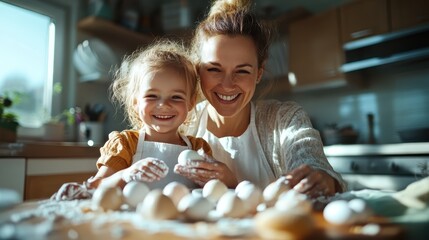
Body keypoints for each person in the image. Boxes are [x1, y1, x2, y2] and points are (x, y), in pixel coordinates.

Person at [174, 0, 347, 198]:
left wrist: (323, 179)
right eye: (214, 69)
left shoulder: (284, 119)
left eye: (242, 71)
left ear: (258, 73)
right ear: (198, 70)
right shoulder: (182, 122)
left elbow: (311, 160)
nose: (228, 84)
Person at [52, 40, 212, 200]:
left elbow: (211, 191)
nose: (163, 105)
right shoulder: (125, 144)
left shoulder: (198, 149)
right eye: (152, 96)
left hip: (181, 224)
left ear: (190, 103)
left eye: (176, 97)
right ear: (135, 102)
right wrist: (127, 174)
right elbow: (98, 185)